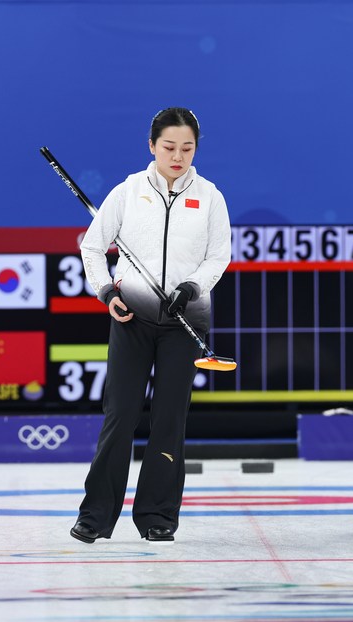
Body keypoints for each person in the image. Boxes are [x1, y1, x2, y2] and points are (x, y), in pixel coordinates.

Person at [70, 107, 232, 544]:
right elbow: (92, 247)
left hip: (185, 321)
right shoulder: (128, 191)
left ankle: (158, 516)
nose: (177, 157)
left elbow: (219, 256)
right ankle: (95, 516)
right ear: (152, 146)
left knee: (169, 420)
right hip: (132, 318)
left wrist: (193, 287)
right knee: (120, 415)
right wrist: (107, 291)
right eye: (169, 147)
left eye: (187, 148)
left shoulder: (211, 197)